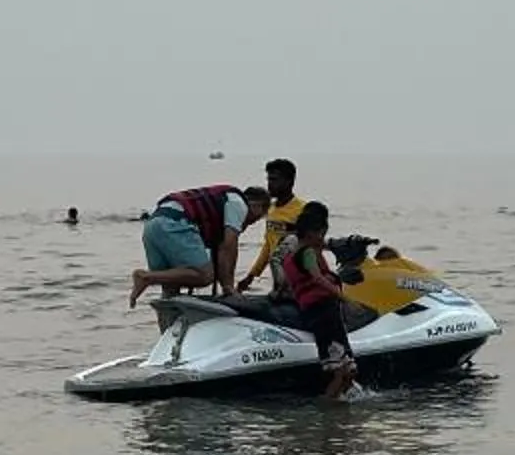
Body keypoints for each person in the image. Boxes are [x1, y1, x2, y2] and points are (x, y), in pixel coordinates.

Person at [269, 200, 358, 398]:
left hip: (316, 312)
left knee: (349, 371)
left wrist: (277, 294)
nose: (322, 239)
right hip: (324, 313)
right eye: (320, 234)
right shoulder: (307, 253)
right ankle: (328, 408)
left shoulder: (289, 259)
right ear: (310, 233)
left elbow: (286, 283)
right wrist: (344, 297)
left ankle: (338, 410)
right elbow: (317, 278)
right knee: (341, 372)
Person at [130, 182, 270, 305]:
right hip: (174, 223)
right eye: (255, 219)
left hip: (152, 225)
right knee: (205, 275)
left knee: (170, 289)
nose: (250, 223)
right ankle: (147, 277)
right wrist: (228, 288)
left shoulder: (223, 203)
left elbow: (216, 254)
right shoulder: (238, 204)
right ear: (257, 206)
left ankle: (170, 324)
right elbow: (228, 247)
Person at [236, 158, 307, 293]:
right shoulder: (271, 210)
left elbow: (311, 245)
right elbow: (268, 246)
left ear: (289, 181)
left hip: (298, 278)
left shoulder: (302, 210)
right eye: (268, 179)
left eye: (274, 180)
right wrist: (251, 276)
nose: (269, 185)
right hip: (277, 274)